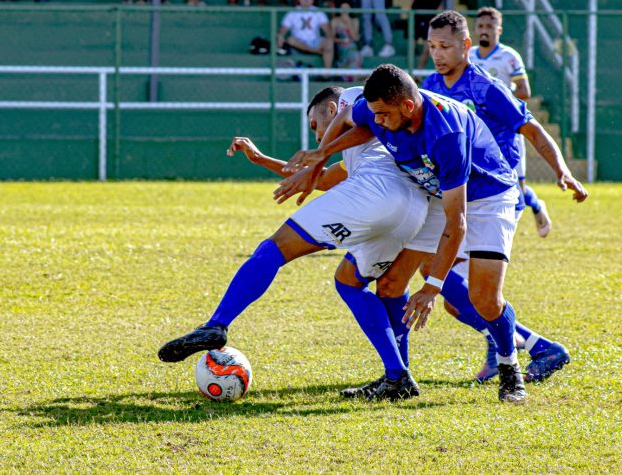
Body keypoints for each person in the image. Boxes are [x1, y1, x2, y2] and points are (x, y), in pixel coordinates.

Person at [158, 86, 431, 401]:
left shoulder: (354, 98)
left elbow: (355, 129)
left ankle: (216, 324)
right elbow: (325, 178)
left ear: (331, 109)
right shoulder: (372, 147)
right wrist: (261, 160)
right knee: (353, 284)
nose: (317, 137)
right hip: (412, 211)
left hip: (374, 193)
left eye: (315, 125)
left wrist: (321, 153)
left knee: (272, 249)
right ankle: (399, 376)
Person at [278, 64, 530, 403]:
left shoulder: (446, 137)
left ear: (408, 107)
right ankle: (398, 381)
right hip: (437, 193)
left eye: (383, 115)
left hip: (486, 198)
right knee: (391, 285)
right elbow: (356, 120)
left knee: (485, 299)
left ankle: (509, 364)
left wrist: (431, 288)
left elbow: (457, 222)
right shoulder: (384, 107)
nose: (377, 121)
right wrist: (322, 154)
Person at [421, 10, 588, 381]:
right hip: (459, 194)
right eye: (432, 46)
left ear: (465, 45)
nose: (438, 53)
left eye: (446, 46)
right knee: (455, 295)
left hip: (496, 193)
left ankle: (520, 349)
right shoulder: (430, 84)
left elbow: (532, 129)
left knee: (468, 289)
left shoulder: (485, 87)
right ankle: (519, 347)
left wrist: (563, 171)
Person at [470, 6, 551, 237]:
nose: (484, 31)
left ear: (499, 29)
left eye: (489, 26)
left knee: (516, 186)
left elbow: (525, 90)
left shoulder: (509, 56)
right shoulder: (469, 56)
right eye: (481, 26)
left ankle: (535, 205)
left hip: (505, 130)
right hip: (478, 132)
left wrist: (501, 96)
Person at [276, 0, 334, 69]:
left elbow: (327, 31)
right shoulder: (292, 13)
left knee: (329, 43)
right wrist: (280, 37)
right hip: (299, 43)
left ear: (313, 0)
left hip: (315, 41)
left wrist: (330, 39)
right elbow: (282, 31)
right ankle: (316, 51)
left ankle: (327, 74)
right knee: (290, 40)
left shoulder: (318, 12)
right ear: (299, 0)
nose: (306, 0)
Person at [330, 3, 363, 75]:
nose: (345, 10)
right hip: (340, 46)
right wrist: (341, 41)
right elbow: (331, 38)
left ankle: (354, 76)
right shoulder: (335, 20)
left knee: (355, 54)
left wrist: (348, 23)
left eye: (347, 8)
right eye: (343, 8)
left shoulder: (355, 20)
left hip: (352, 46)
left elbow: (355, 37)